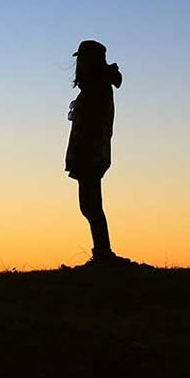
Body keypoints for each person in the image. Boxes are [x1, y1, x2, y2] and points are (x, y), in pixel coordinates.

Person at [65, 39, 123, 264]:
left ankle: (103, 254)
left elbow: (93, 126)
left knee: (91, 206)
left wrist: (85, 153)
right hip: (89, 155)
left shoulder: (97, 89)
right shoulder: (94, 87)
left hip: (90, 156)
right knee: (89, 206)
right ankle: (102, 253)